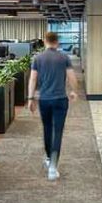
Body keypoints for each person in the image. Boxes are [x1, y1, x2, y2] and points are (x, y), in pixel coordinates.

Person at [27, 31, 78, 181]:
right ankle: (53, 167)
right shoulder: (64, 57)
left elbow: (33, 79)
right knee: (58, 131)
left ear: (45, 41)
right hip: (61, 100)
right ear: (57, 42)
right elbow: (72, 77)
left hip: (44, 100)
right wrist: (74, 91)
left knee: (47, 129)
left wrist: (30, 98)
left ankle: (49, 158)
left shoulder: (38, 58)